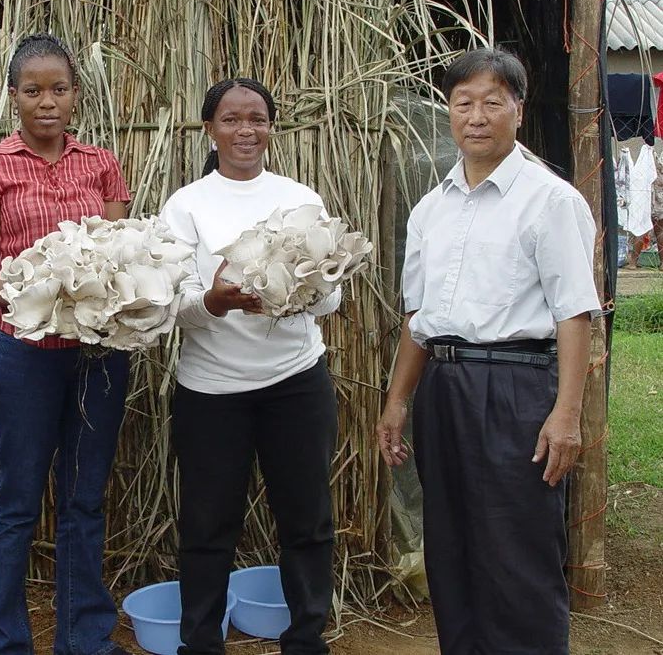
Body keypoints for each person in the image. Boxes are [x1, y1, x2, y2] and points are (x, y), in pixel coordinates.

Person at [375, 48, 601, 655]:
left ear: (518, 112)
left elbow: (575, 313)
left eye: (491, 102)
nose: (476, 116)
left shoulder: (549, 200)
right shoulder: (432, 208)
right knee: (451, 548)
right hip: (443, 390)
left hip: (518, 388)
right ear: (449, 112)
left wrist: (567, 413)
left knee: (518, 549)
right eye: (463, 102)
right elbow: (418, 318)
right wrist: (398, 402)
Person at [0, 33, 132, 655]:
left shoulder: (101, 164)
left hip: (97, 355)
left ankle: (85, 640)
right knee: (17, 501)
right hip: (23, 352)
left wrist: (97, 307)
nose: (47, 102)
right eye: (33, 91)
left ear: (76, 95)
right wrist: (31, 305)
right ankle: (3, 645)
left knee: (85, 500)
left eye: (59, 89)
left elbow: (114, 261)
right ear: (13, 97)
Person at [159, 78, 342, 655]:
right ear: (210, 128)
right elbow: (176, 306)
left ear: (271, 126)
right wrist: (214, 301)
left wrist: (300, 294)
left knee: (307, 521)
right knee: (208, 526)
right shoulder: (186, 205)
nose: (246, 130)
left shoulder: (300, 198)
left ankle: (307, 638)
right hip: (211, 390)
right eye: (232, 119)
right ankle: (200, 643)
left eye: (257, 118)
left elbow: (331, 294)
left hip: (295, 381)